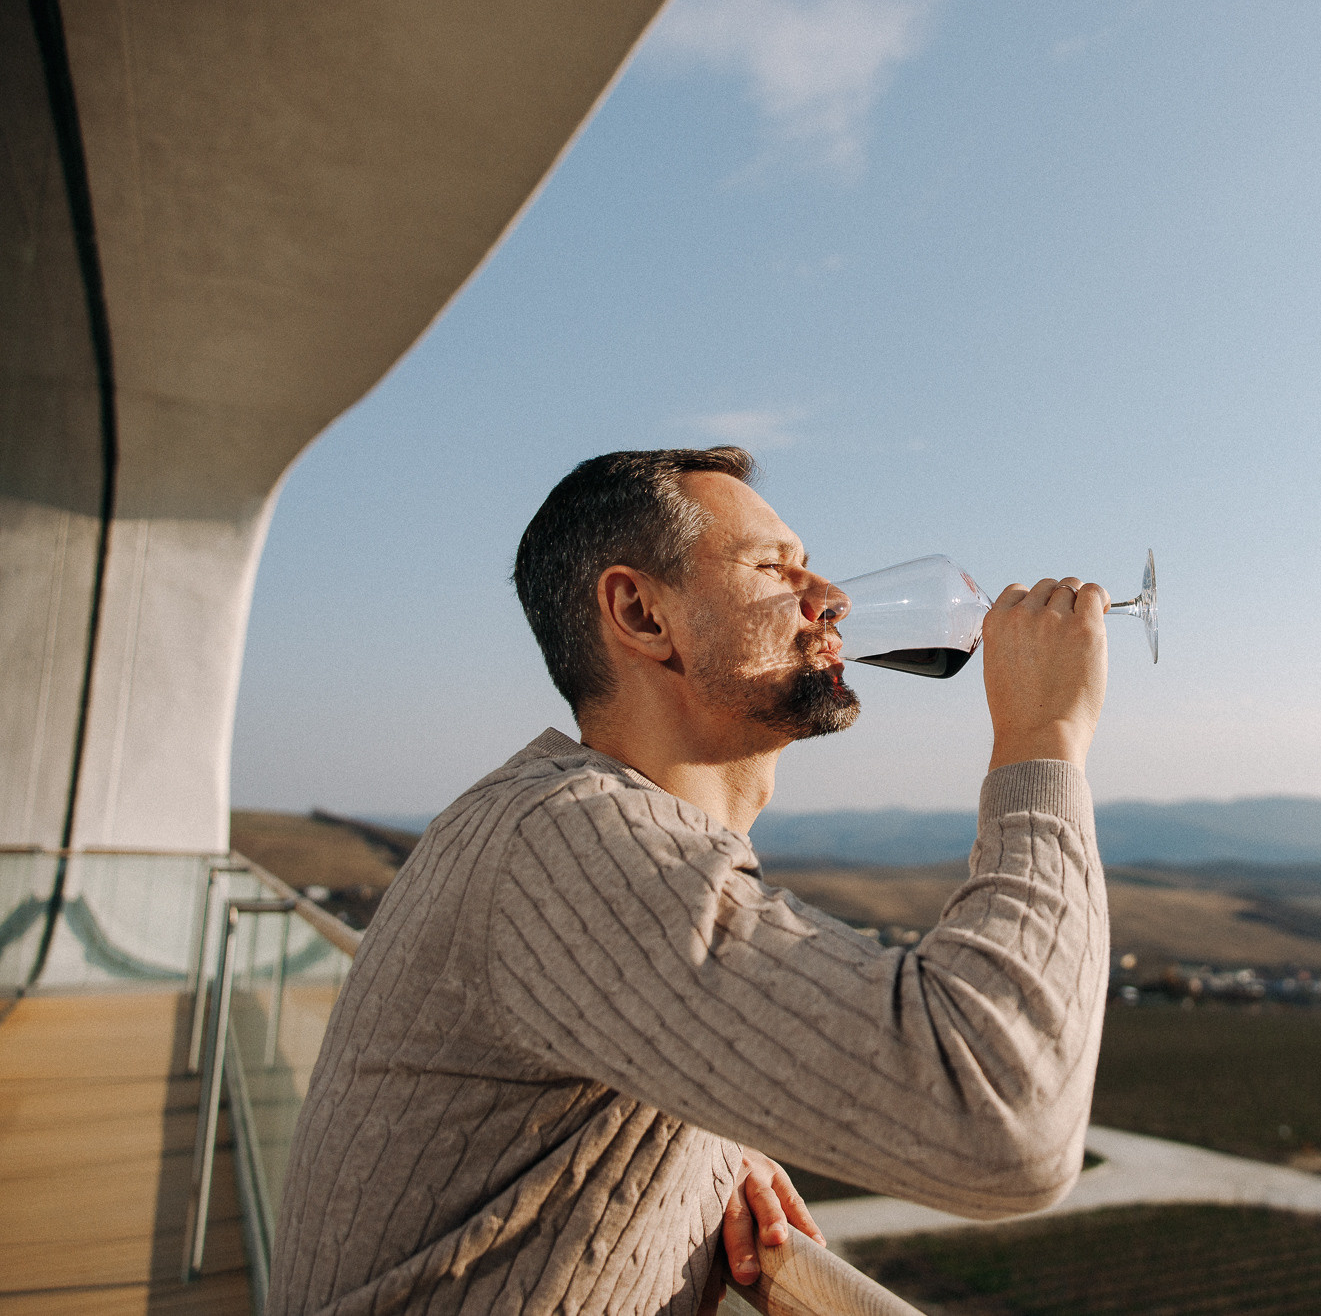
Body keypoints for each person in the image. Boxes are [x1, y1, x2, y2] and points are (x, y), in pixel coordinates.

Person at [268, 447, 1112, 1316]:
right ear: (640, 613)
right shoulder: (566, 842)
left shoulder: (563, 834)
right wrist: (1044, 734)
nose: (831, 597)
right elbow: (1009, 1115)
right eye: (776, 568)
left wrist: (706, 1146)